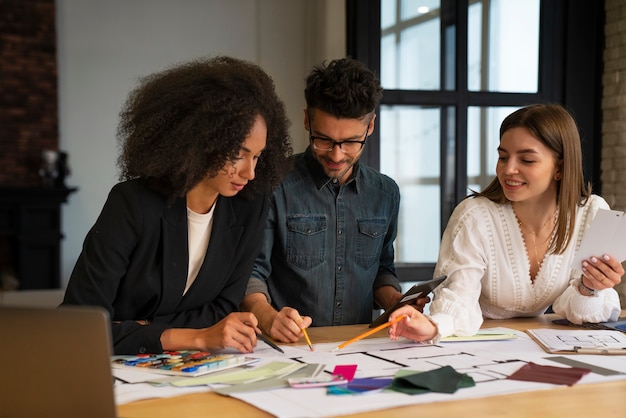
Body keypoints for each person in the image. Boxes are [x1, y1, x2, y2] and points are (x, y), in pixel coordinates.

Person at [61, 56, 293, 355]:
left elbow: (223, 307)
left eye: (258, 157)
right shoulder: (131, 204)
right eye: (238, 154)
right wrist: (194, 337)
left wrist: (140, 327)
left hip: (194, 372)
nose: (250, 173)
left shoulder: (249, 207)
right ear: (201, 141)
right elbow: (80, 323)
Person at [387, 103, 623, 344]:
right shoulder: (474, 216)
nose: (508, 169)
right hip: (477, 346)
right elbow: (457, 298)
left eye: (527, 160)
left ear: (560, 168)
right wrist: (433, 326)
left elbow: (579, 312)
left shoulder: (592, 213)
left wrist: (590, 286)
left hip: (538, 345)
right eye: (502, 157)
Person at [241, 57, 428, 343]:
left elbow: (381, 269)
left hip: (360, 346)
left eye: (351, 142)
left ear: (371, 126)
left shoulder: (385, 193)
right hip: (291, 347)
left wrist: (396, 301)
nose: (337, 155)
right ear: (306, 120)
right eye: (324, 140)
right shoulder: (273, 186)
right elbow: (251, 271)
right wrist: (267, 316)